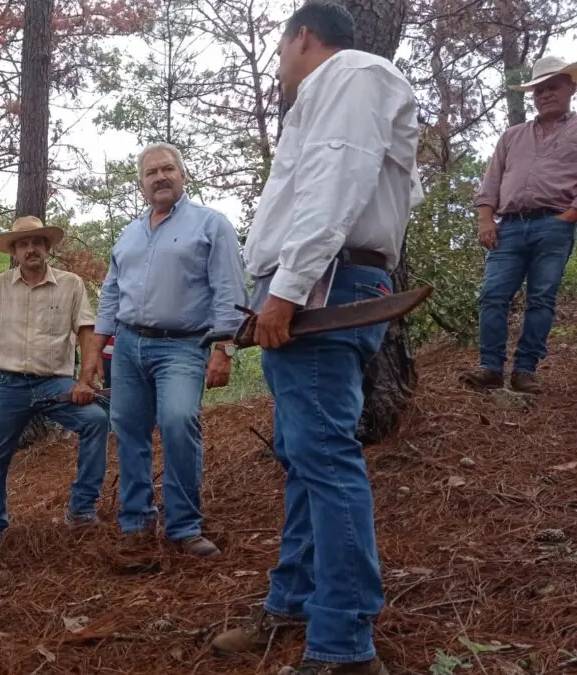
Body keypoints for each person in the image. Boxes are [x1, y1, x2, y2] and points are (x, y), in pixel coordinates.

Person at [211, 4, 422, 674]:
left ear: (303, 36)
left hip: (322, 286)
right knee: (306, 452)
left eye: (279, 49)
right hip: (321, 282)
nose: (278, 64)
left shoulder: (352, 74)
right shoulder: (343, 91)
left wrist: (288, 287)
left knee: (324, 457)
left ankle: (344, 643)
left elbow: (337, 181)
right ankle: (294, 600)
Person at [92, 142, 247, 558]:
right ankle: (136, 522)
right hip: (126, 346)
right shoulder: (129, 233)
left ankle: (184, 526)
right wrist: (94, 353)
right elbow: (110, 294)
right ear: (141, 184)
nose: (159, 177)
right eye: (150, 173)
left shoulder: (211, 225)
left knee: (179, 423)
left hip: (182, 346)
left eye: (167, 169)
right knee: (128, 429)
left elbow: (230, 291)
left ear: (183, 174)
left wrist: (225, 349)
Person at [0, 216, 109, 556]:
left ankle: (82, 509)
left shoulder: (71, 285)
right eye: (22, 244)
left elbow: (87, 330)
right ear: (13, 251)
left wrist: (85, 378)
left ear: (46, 248)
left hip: (54, 383)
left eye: (37, 242)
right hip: (7, 384)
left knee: (97, 422)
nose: (30, 249)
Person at [460, 55, 577, 394]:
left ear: (570, 88)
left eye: (551, 87)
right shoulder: (511, 136)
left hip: (554, 226)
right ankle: (491, 367)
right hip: (508, 226)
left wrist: (570, 214)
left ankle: (525, 371)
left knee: (541, 299)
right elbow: (492, 179)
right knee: (492, 296)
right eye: (538, 90)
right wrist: (486, 219)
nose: (544, 95)